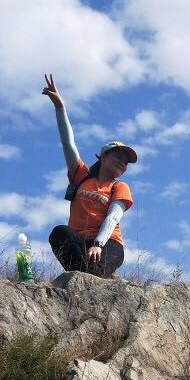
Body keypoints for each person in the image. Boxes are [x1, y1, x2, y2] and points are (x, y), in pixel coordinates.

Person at [42, 73, 135, 278]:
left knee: (92, 272)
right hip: (78, 243)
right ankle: (79, 277)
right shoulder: (81, 176)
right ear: (103, 157)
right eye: (118, 157)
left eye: (126, 162)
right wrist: (60, 107)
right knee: (59, 232)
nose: (122, 163)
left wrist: (98, 244)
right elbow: (68, 143)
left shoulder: (119, 187)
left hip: (109, 243)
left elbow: (113, 217)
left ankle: (89, 278)